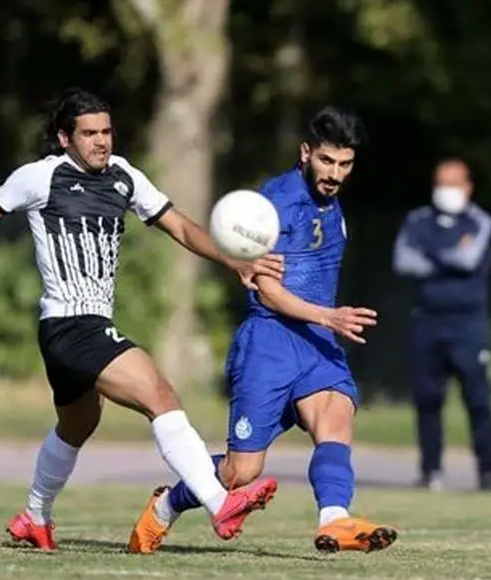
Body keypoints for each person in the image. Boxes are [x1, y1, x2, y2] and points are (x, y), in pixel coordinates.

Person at [0, 88, 284, 552]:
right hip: (71, 324)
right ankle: (218, 502)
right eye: (89, 133)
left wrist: (233, 262)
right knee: (160, 395)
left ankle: (34, 516)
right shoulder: (41, 178)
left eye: (106, 131)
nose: (101, 141)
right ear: (65, 138)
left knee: (78, 424)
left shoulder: (124, 176)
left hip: (73, 330)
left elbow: (179, 225)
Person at [127, 106, 398, 554]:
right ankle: (164, 507)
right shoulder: (272, 205)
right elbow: (267, 291)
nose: (334, 173)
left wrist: (324, 324)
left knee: (335, 420)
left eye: (345, 164)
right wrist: (330, 316)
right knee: (241, 473)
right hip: (270, 342)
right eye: (326, 161)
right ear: (305, 152)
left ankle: (336, 520)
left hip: (315, 342)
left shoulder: (332, 204)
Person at [392, 159, 491, 492]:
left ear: (467, 187)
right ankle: (430, 471)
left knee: (478, 400)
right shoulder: (418, 219)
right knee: (427, 400)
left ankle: (487, 471)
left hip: (468, 326)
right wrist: (448, 253)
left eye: (453, 184)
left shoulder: (480, 222)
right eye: (441, 183)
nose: (446, 191)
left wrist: (430, 252)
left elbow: (469, 260)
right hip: (427, 322)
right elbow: (403, 262)